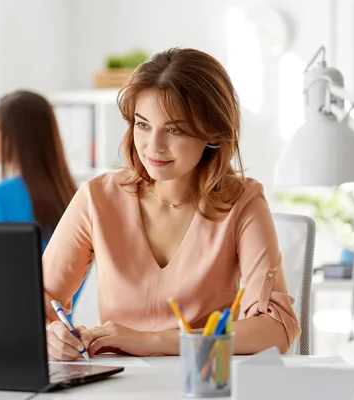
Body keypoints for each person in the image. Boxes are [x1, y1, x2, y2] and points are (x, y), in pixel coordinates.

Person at [43, 48, 301, 361]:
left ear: (212, 134)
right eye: (142, 124)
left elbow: (278, 328)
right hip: (115, 387)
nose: (153, 146)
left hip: (204, 384)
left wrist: (153, 341)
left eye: (174, 129)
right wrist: (50, 335)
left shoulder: (242, 201)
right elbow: (40, 302)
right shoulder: (96, 198)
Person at [0, 90, 87, 318]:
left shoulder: (2, 197)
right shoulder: (75, 198)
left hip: (8, 332)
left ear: (13, 134)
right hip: (59, 341)